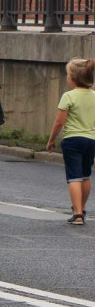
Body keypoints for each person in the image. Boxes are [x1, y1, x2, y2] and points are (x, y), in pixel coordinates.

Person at [46, 59, 95, 225]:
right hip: (91, 140)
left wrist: (51, 140)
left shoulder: (68, 96)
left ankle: (78, 213)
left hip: (72, 139)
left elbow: (59, 122)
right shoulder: (94, 96)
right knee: (85, 175)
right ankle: (81, 207)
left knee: (74, 176)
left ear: (73, 78)